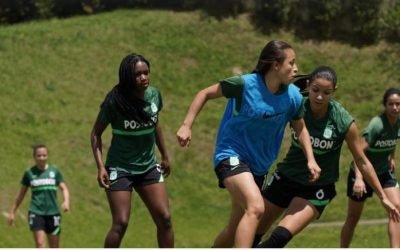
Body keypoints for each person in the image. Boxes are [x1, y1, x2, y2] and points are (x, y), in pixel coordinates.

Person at [176, 40, 321, 248]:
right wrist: (186, 125)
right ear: (276, 65)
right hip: (230, 154)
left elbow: (301, 128)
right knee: (256, 207)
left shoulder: (293, 97)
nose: (296, 68)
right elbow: (205, 93)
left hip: (259, 166)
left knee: (235, 228)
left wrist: (311, 159)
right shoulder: (244, 85)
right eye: (292, 62)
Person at [254, 66, 400, 248]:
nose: (320, 96)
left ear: (334, 92)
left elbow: (362, 160)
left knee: (278, 239)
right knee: (251, 234)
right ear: (308, 85)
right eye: (315, 90)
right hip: (286, 176)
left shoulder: (342, 120)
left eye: (326, 92)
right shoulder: (296, 105)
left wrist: (382, 196)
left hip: (317, 188)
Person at [90, 53, 174, 248]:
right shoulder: (115, 101)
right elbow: (95, 133)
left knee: (165, 219)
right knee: (121, 223)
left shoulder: (154, 95)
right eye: (138, 74)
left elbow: (155, 124)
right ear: (128, 76)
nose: (144, 77)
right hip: (120, 168)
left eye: (146, 73)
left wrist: (165, 155)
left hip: (148, 167)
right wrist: (101, 167)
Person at [340, 87, 400, 248]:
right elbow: (358, 152)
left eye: (398, 104)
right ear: (385, 105)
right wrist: (359, 179)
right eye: (391, 104)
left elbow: (393, 140)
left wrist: (391, 157)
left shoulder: (399, 123)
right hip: (363, 173)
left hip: (383, 172)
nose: (395, 108)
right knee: (353, 218)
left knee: (397, 208)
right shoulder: (377, 125)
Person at [8, 144, 70, 248]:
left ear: (47, 156)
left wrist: (66, 201)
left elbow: (64, 188)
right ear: (34, 157)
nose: (41, 158)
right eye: (39, 156)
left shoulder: (54, 171)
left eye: (44, 155)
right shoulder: (29, 173)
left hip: (53, 212)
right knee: (40, 244)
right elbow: (21, 194)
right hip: (36, 212)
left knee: (54, 246)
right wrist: (12, 211)